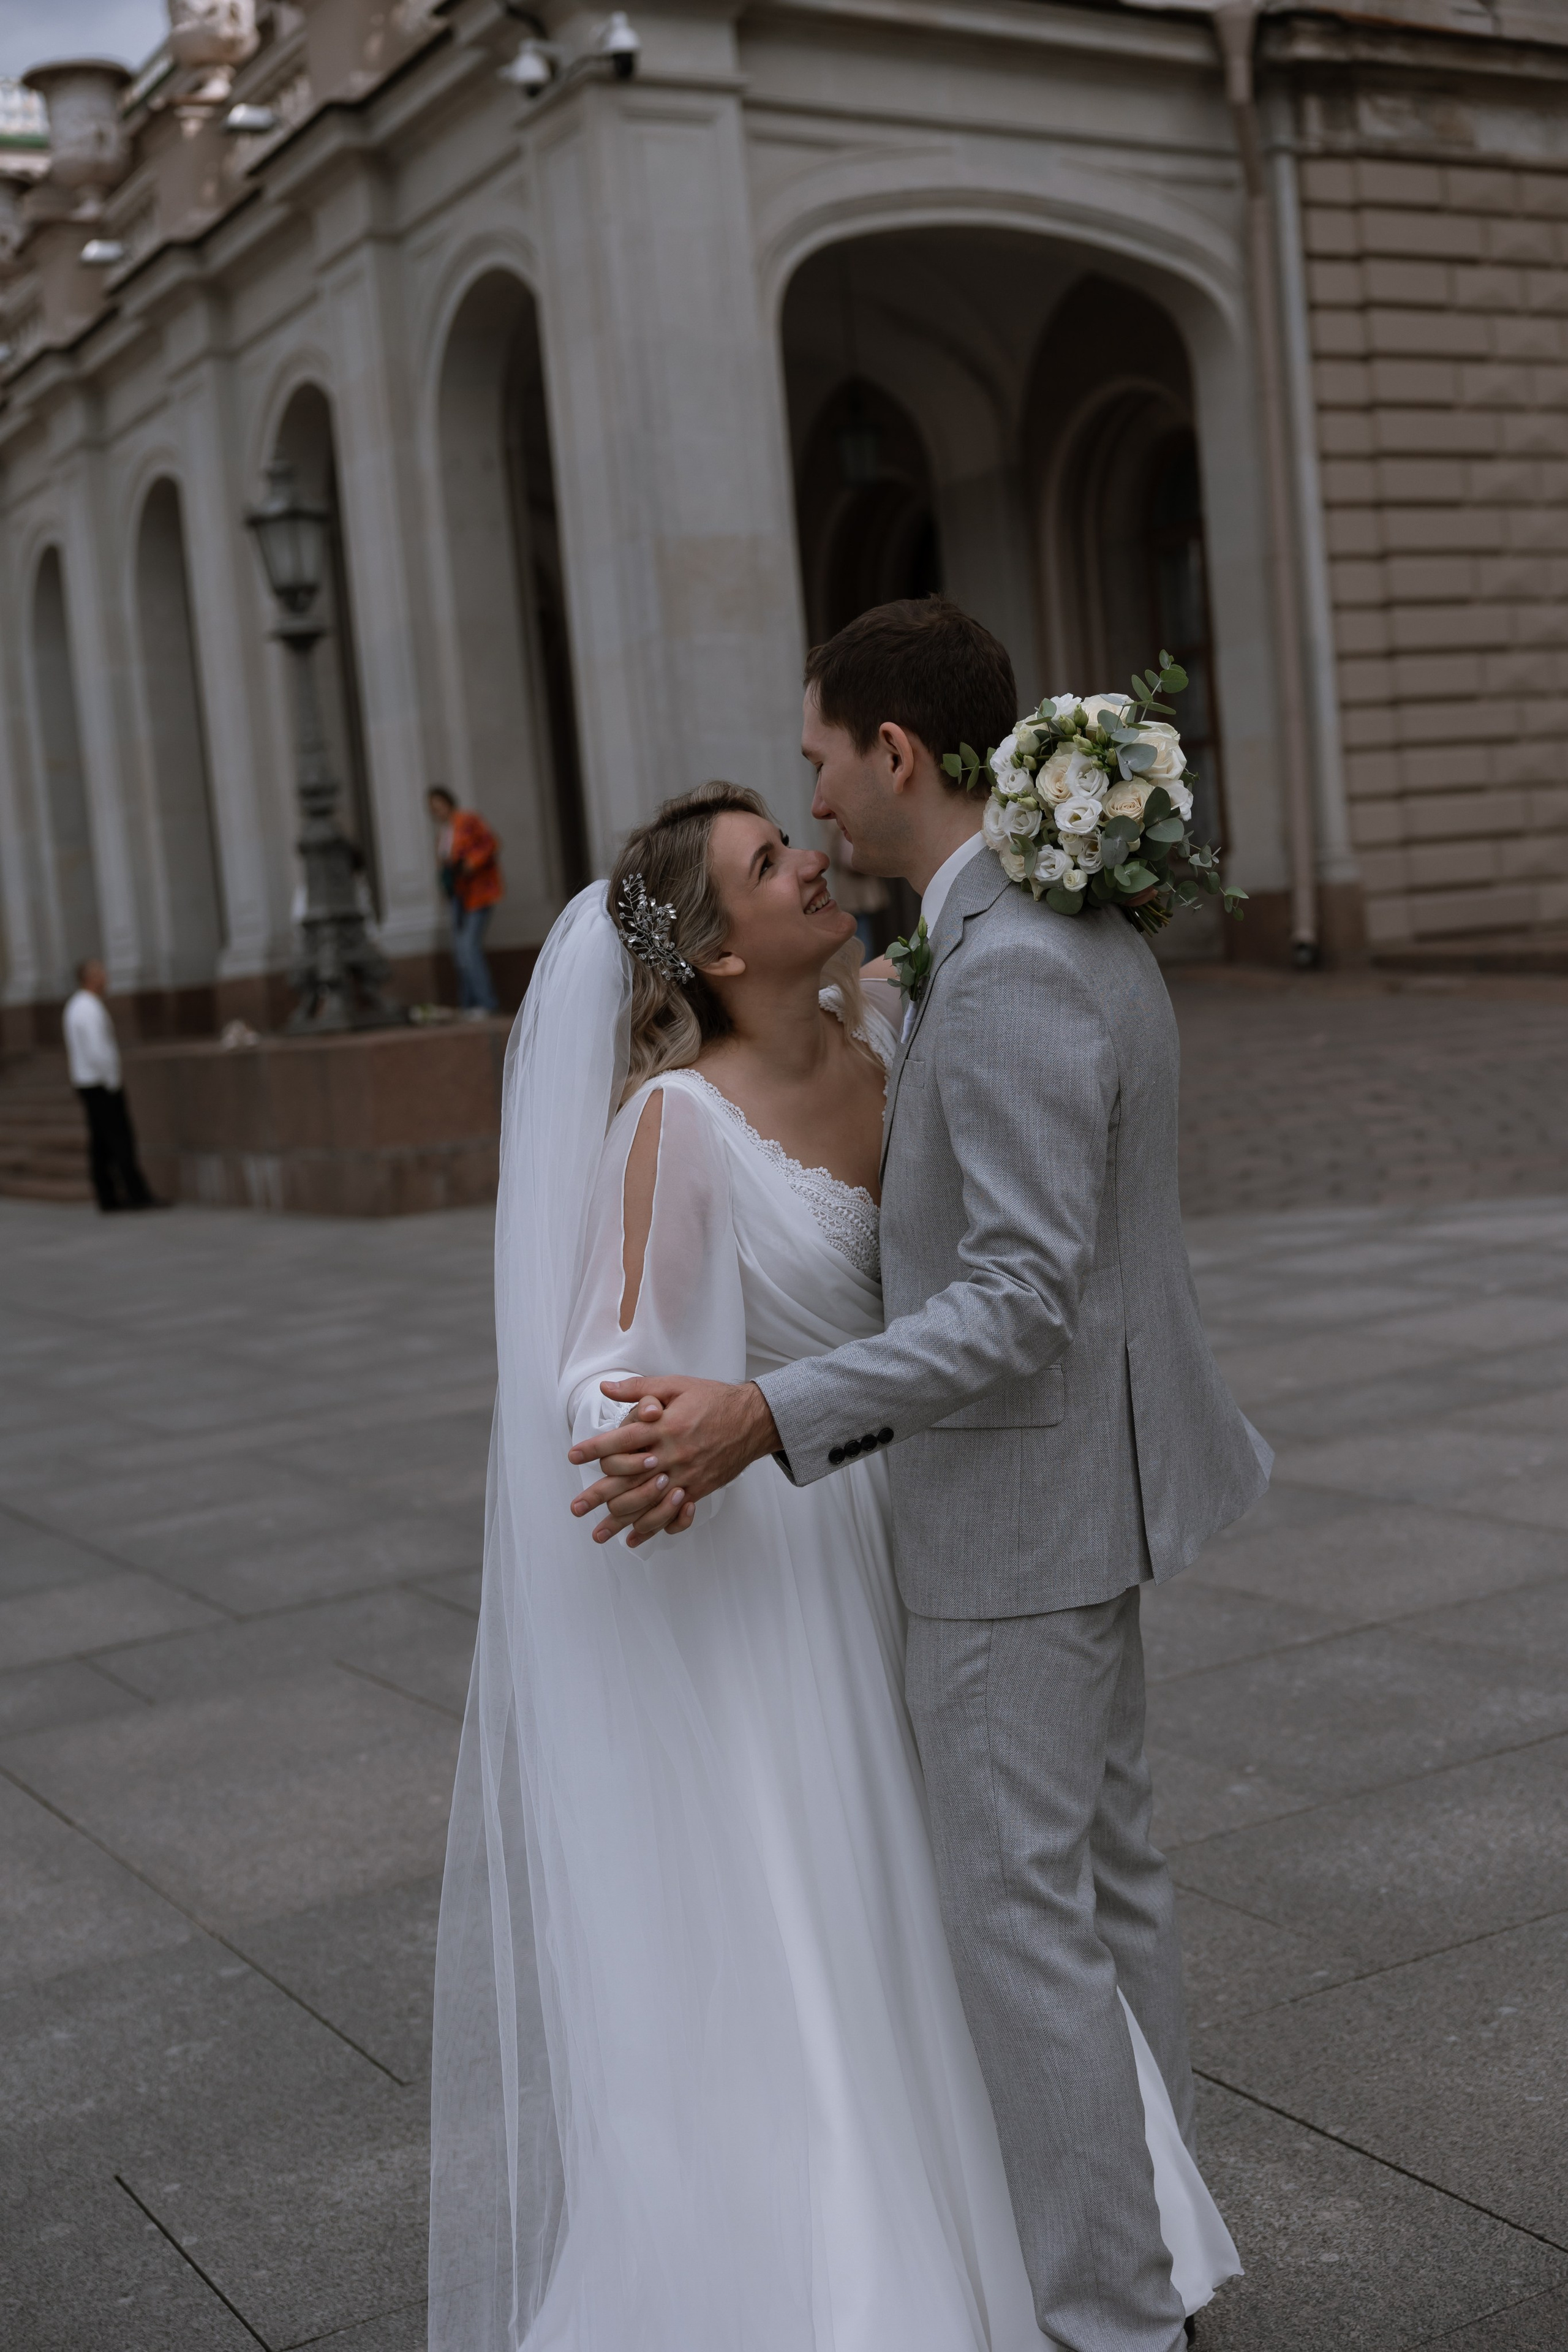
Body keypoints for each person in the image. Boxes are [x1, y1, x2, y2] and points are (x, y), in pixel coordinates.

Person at [429, 773, 1244, 2352]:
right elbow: (595, 1365)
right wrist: (645, 1425)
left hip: (941, 1528)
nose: (809, 859)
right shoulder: (675, 1126)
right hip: (797, 1563)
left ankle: (1090, 2250)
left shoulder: (894, 1025)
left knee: (1006, 1900)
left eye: (796, 835)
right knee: (866, 1912)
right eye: (766, 860)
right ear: (719, 954)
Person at [62, 959, 159, 1213]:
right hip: (101, 1084)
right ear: (90, 978)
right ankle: (135, 1194)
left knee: (101, 1143)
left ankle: (107, 1197)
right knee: (119, 1140)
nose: (106, 977)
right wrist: (112, 1082)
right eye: (101, 973)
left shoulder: (76, 1006)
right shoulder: (88, 1008)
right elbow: (97, 1051)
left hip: (88, 1082)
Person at [427, 783, 502, 1014]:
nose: (438, 811)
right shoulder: (444, 833)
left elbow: (490, 843)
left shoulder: (466, 821)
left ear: (449, 803)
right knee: (461, 951)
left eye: (440, 805)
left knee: (469, 947)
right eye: (433, 808)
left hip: (478, 893)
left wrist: (470, 864)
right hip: (458, 897)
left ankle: (486, 1003)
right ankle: (469, 1004)